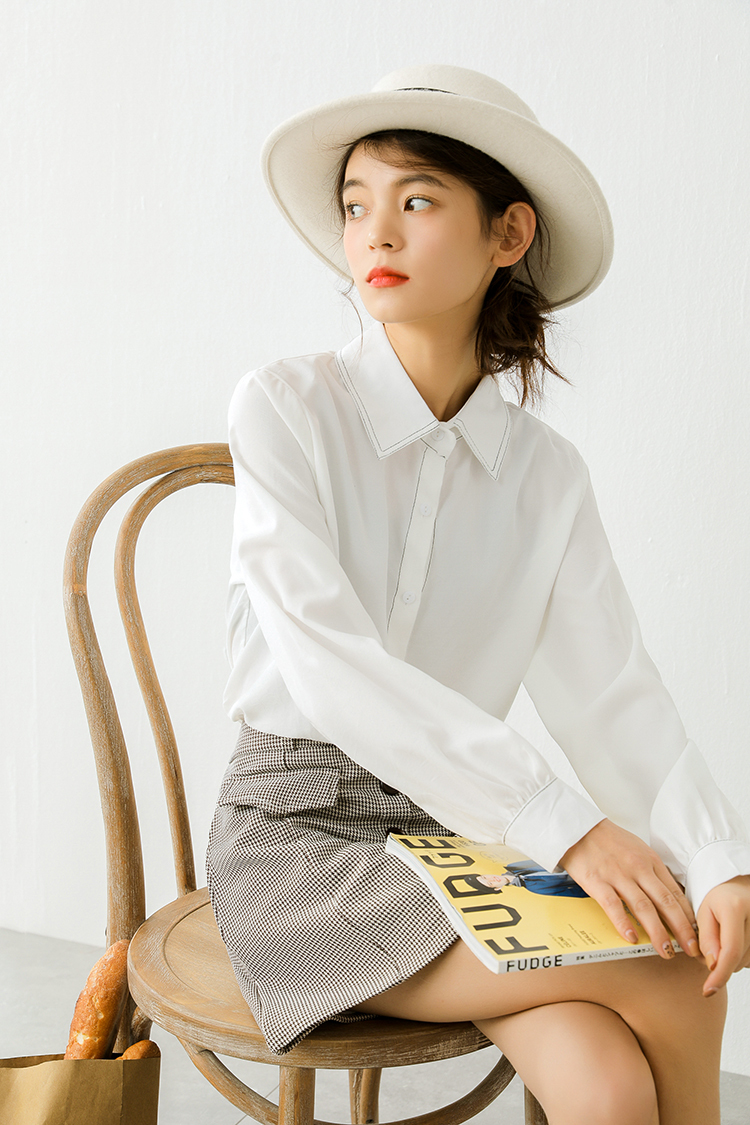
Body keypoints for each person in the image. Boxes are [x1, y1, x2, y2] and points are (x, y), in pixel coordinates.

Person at [206, 65, 750, 1125]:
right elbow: (329, 664)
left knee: (606, 1086)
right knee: (671, 970)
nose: (375, 234)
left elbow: (610, 691)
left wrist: (715, 854)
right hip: (299, 849)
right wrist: (566, 826)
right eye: (356, 205)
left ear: (509, 233)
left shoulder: (545, 476)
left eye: (416, 201)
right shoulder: (285, 408)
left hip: (457, 837)